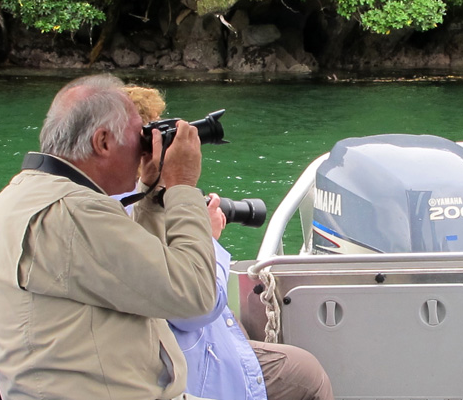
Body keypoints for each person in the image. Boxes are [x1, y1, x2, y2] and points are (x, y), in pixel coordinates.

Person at [0, 74, 217, 400]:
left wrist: (152, 192)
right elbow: (193, 293)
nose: (143, 150)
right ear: (102, 142)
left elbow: (142, 278)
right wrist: (182, 185)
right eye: (138, 137)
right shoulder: (75, 214)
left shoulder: (24, 195)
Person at [124, 85, 334, 400]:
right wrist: (206, 238)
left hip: (167, 347)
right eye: (154, 130)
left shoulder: (101, 203)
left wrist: (154, 186)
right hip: (181, 364)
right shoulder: (123, 214)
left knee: (238, 326)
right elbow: (196, 308)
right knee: (307, 374)